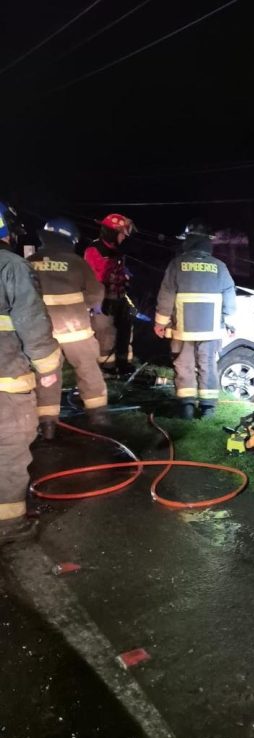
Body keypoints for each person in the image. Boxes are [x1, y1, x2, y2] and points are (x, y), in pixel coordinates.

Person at [1, 207, 61, 543]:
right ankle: (9, 528)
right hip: (5, 386)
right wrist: (49, 369)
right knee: (8, 453)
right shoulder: (10, 266)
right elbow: (33, 325)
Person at [30, 218, 107, 439]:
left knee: (47, 374)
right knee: (88, 370)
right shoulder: (76, 262)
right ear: (70, 240)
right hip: (76, 331)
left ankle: (47, 425)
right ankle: (98, 418)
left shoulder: (30, 261)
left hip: (43, 332)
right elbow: (94, 295)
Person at [154, 220, 236, 419]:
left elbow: (166, 294)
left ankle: (187, 407)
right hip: (210, 330)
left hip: (183, 328)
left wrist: (160, 322)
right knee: (208, 364)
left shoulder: (177, 264)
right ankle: (208, 408)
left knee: (184, 364)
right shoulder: (220, 266)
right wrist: (230, 322)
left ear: (188, 242)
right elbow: (229, 295)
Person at [84, 213, 136, 374]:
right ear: (113, 233)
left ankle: (124, 363)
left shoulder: (117, 250)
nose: (124, 237)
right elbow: (93, 277)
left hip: (119, 297)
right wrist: (98, 302)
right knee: (106, 333)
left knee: (126, 330)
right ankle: (107, 367)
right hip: (102, 299)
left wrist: (125, 275)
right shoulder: (95, 249)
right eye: (121, 233)